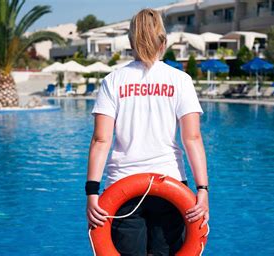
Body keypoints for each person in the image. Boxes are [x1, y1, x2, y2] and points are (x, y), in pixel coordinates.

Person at [85, 8, 209, 256]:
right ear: (163, 42)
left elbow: (101, 139)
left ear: (131, 42)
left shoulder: (113, 80)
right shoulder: (180, 80)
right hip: (170, 184)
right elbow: (192, 138)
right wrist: (202, 190)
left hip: (122, 188)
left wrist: (92, 192)